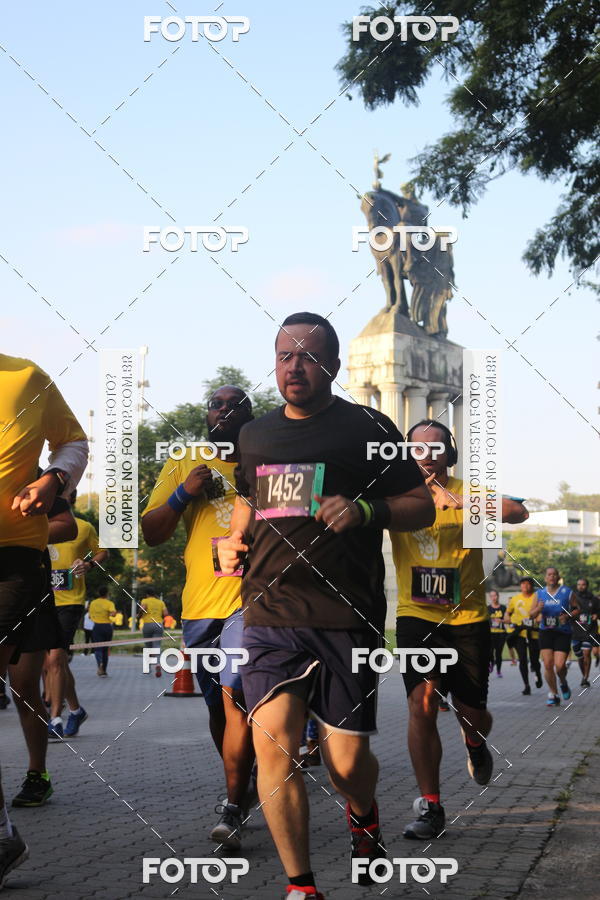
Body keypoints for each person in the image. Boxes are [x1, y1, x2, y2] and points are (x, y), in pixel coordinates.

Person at [218, 312, 435, 899]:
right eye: (285, 355)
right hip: (268, 613)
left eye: (309, 356)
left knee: (346, 765)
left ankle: (363, 813)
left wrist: (365, 511)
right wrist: (233, 540)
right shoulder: (255, 434)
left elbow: (420, 505)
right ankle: (302, 886)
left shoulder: (368, 427)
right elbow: (247, 498)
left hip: (346, 617)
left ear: (334, 366)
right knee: (274, 747)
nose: (295, 367)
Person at [391, 418, 528, 840]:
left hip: (468, 620)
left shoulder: (468, 491)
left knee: (472, 714)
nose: (426, 455)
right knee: (422, 704)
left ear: (449, 453)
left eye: (435, 448)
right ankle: (431, 806)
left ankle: (475, 742)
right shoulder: (396, 494)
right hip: (415, 615)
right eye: (417, 448)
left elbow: (518, 511)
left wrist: (462, 504)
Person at [142, 385, 257, 850]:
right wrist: (183, 493)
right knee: (216, 707)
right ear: (206, 415)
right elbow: (151, 532)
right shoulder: (185, 459)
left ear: (251, 415)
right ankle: (242, 781)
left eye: (236, 404)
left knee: (235, 698)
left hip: (251, 599)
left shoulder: (266, 459)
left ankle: (233, 806)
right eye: (216, 404)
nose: (224, 410)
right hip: (200, 605)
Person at [0, 352, 88, 885]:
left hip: (17, 565)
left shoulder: (25, 378)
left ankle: (37, 772)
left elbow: (74, 442)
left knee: (26, 684)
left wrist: (51, 483)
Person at [46, 490, 108, 739]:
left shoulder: (83, 527)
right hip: (42, 600)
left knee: (55, 660)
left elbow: (103, 552)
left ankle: (55, 719)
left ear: (69, 499)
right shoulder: (37, 525)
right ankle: (76, 710)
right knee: (53, 663)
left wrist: (88, 563)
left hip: (70, 601)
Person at [530, 567, 578, 706]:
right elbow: (531, 614)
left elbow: (577, 609)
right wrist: (538, 609)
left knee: (560, 665)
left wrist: (567, 616)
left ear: (558, 577)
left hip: (563, 632)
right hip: (545, 632)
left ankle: (563, 682)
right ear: (545, 578)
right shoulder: (539, 593)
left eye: (554, 574)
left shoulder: (567, 592)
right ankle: (553, 693)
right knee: (548, 664)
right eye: (549, 574)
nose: (552, 576)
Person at [506, 577, 543, 695]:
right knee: (522, 659)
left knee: (534, 660)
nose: (525, 586)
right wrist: (507, 619)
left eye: (527, 584)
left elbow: (541, 613)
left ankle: (538, 673)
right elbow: (508, 612)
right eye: (522, 584)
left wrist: (538, 619)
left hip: (534, 633)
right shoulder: (515, 599)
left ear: (532, 586)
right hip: (519, 633)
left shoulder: (537, 598)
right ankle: (526, 685)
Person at [570, 577, 599, 688]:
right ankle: (584, 675)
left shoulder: (593, 599)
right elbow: (567, 612)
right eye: (579, 584)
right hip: (576, 632)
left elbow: (599, 612)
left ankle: (586, 678)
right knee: (580, 657)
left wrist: (597, 615)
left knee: (586, 653)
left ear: (587, 586)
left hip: (589, 631)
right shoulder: (572, 598)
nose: (581, 586)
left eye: (583, 584)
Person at [138, 587, 168, 677]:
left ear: (147, 594)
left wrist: (139, 614)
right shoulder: (160, 602)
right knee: (157, 646)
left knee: (148, 647)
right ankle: (158, 664)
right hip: (158, 624)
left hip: (148, 624)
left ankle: (148, 668)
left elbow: (142, 609)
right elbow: (166, 613)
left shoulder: (145, 600)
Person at [88, 587, 116, 676]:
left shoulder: (93, 603)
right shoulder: (109, 603)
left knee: (98, 648)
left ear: (98, 593)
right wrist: (109, 613)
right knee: (105, 649)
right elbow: (113, 613)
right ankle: (104, 670)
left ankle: (100, 664)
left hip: (97, 627)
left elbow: (89, 616)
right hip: (107, 627)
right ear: (107, 593)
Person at [487, 590, 507, 677]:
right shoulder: (487, 608)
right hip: (491, 634)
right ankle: (491, 663)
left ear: (498, 596)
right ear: (490, 597)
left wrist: (501, 620)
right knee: (490, 652)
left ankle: (499, 671)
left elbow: (508, 620)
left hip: (501, 633)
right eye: (491, 596)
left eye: (495, 595)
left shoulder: (503, 608)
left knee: (499, 653)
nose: (493, 598)